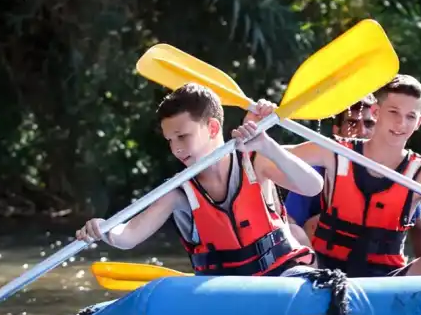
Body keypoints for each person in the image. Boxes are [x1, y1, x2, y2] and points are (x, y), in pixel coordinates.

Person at [75, 83, 323, 277]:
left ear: (213, 128)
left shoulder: (255, 161)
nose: (177, 149)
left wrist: (269, 147)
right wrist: (104, 229)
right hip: (225, 290)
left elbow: (313, 187)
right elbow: (128, 236)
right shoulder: (178, 192)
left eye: (182, 136)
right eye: (170, 140)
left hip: (281, 277)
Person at [255, 74, 421, 277]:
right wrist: (260, 131)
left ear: (419, 122)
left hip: (387, 281)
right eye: (393, 112)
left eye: (410, 116)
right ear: (376, 111)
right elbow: (267, 156)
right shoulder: (335, 151)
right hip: (323, 271)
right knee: (293, 231)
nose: (401, 123)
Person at [282, 94, 421, 258]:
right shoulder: (315, 169)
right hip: (321, 265)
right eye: (352, 123)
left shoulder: (396, 172)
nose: (361, 131)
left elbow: (420, 229)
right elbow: (290, 224)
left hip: (377, 269)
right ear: (337, 131)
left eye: (369, 124)